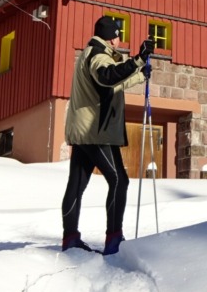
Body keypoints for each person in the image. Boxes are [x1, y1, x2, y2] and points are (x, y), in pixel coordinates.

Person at [61, 15, 153, 255]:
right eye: (118, 33)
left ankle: (70, 238)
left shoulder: (90, 52)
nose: (120, 38)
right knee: (119, 180)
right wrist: (137, 60)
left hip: (84, 130)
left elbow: (109, 86)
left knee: (77, 185)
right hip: (96, 130)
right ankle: (114, 239)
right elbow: (107, 76)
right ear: (111, 35)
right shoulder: (98, 55)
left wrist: (140, 73)